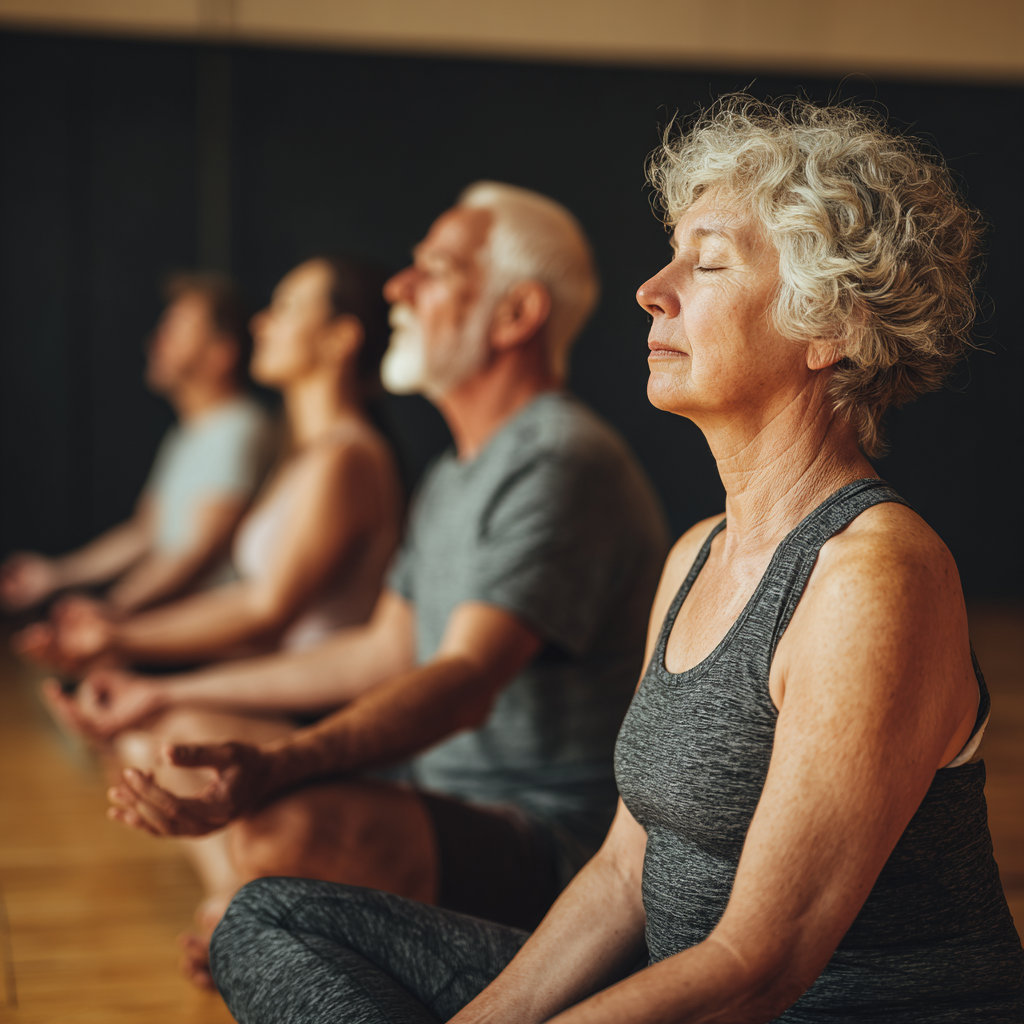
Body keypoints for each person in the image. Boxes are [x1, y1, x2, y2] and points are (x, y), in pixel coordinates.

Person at [200, 99, 1020, 1023]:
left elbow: (762, 965)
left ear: (828, 325)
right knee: (267, 918)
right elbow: (626, 868)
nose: (652, 289)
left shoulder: (876, 575)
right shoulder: (693, 556)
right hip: (672, 993)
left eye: (707, 263)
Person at [97, 182, 669, 987]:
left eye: (434, 268)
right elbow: (379, 651)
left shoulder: (560, 458)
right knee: (169, 744)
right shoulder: (452, 471)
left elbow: (464, 682)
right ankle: (262, 926)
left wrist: (280, 766)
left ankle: (262, 925)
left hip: (545, 839)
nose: (399, 287)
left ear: (516, 316)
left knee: (276, 830)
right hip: (431, 791)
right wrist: (162, 693)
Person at [20, 257, 401, 676]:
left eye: (285, 307)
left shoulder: (344, 456)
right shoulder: (302, 452)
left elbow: (265, 611)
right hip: (275, 677)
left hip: (306, 697)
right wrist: (110, 625)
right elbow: (243, 592)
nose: (260, 324)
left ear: (339, 339)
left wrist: (120, 632)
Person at [0, 273, 270, 617]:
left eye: (176, 330)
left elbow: (199, 553)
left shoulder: (238, 429)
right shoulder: (187, 434)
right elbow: (146, 532)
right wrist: (55, 575)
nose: (157, 342)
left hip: (206, 640)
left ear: (222, 354)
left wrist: (109, 611)